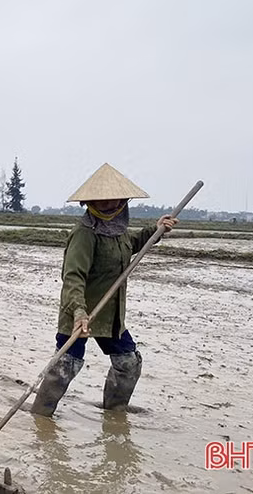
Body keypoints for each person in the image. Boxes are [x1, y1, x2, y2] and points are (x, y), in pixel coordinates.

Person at [31, 163, 178, 417]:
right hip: (82, 314)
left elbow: (129, 245)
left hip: (110, 316)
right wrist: (78, 312)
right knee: (65, 367)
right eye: (103, 201)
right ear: (92, 202)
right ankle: (40, 417)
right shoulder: (84, 234)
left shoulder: (118, 232)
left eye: (115, 200)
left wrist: (155, 231)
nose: (109, 205)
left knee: (129, 363)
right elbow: (73, 277)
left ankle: (115, 414)